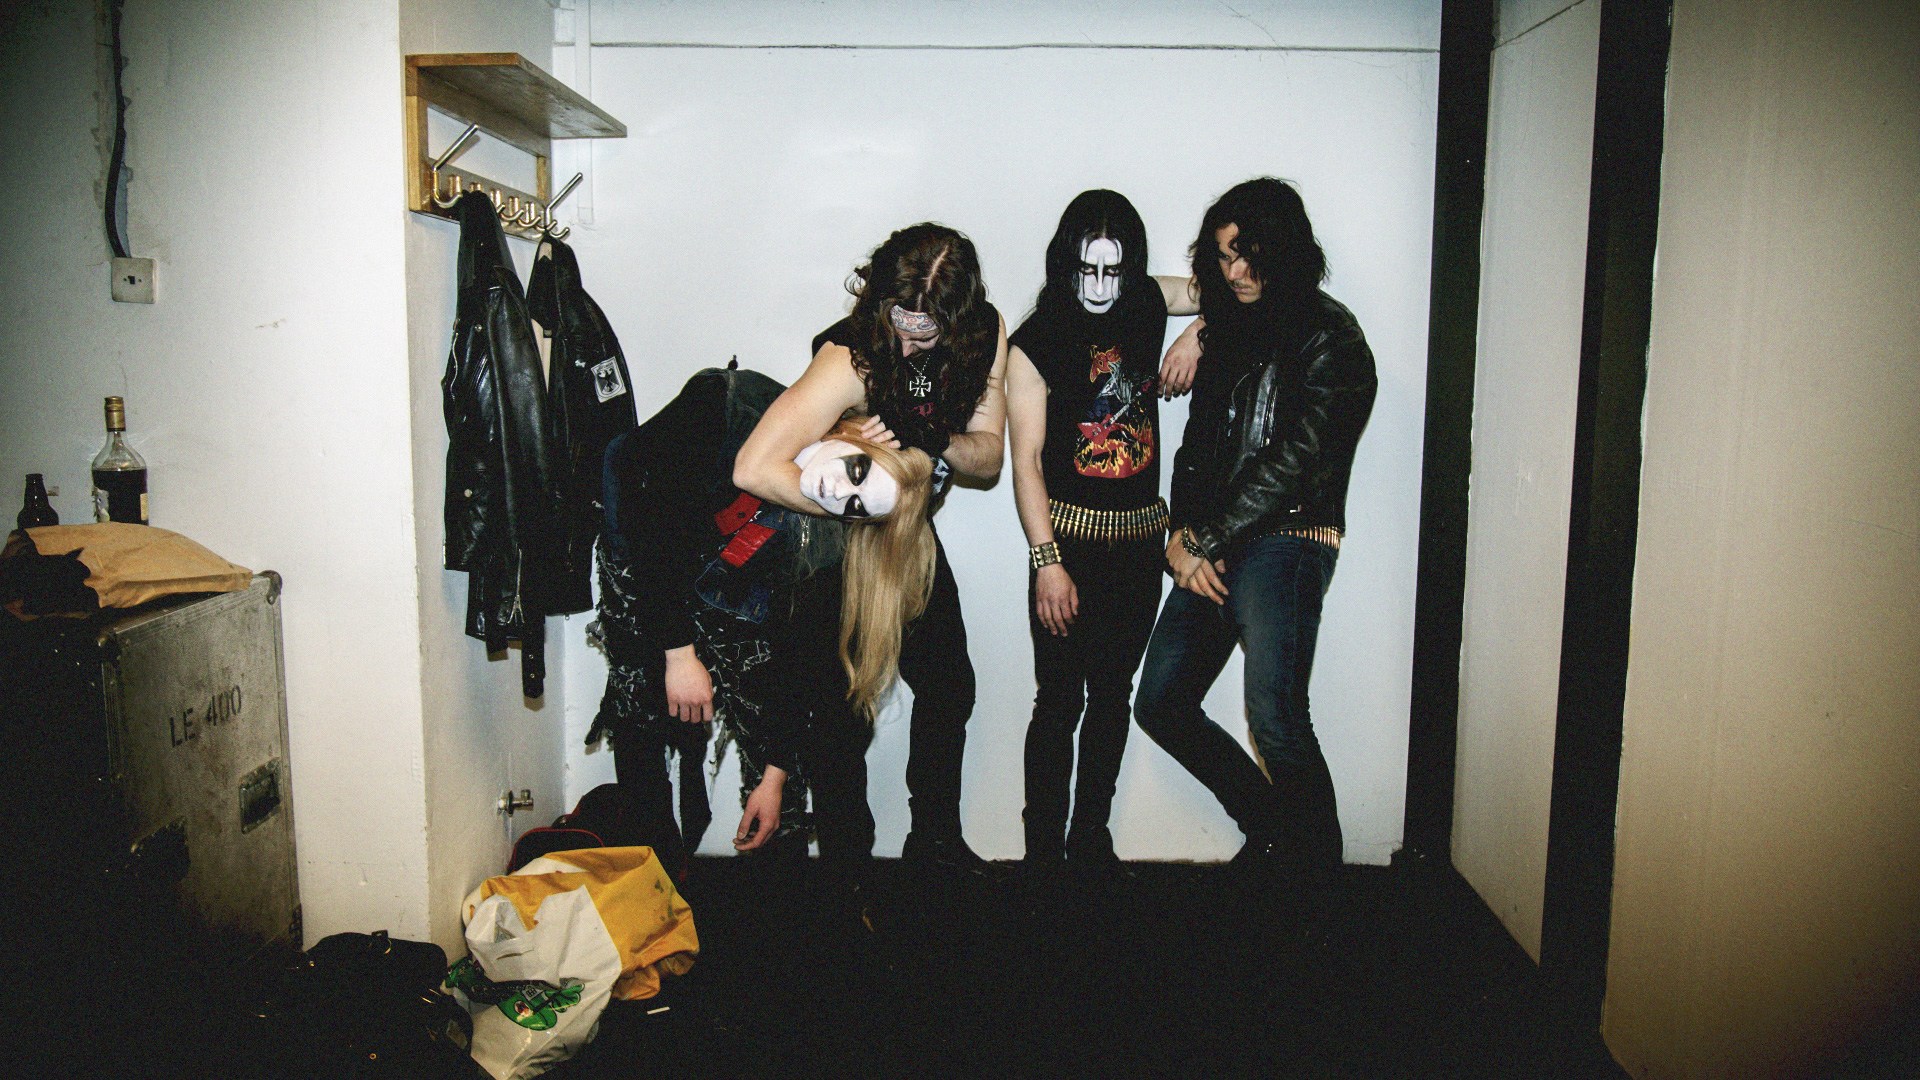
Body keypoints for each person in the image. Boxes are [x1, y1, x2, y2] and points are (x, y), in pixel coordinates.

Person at [734, 223, 1009, 875]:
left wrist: (935, 438)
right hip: (844, 544)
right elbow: (753, 468)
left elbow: (988, 457)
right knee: (838, 713)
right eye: (898, 324)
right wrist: (858, 501)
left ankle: (935, 843)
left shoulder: (985, 333)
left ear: (957, 319)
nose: (908, 345)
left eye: (925, 334)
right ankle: (847, 867)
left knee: (950, 688)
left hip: (911, 537)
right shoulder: (848, 359)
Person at [590, 365, 936, 881]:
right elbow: (650, 513)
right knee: (641, 704)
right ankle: (649, 879)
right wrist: (678, 652)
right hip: (642, 541)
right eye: (858, 470)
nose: (840, 492)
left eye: (857, 505)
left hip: (729, 567)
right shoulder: (731, 404)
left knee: (766, 713)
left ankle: (779, 893)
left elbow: (800, 661)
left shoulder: (823, 539)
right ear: (857, 435)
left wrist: (773, 776)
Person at [1134, 177, 1377, 877]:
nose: (1235, 271)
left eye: (1247, 255)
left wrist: (1204, 538)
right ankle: (1274, 833)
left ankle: (1318, 879)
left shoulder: (1333, 337)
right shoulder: (1230, 328)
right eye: (1222, 257)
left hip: (1288, 538)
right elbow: (1198, 448)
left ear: (1284, 251)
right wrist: (1181, 535)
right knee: (1162, 701)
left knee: (1274, 713)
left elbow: (1297, 461)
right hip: (1213, 543)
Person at [1005, 190, 1201, 874]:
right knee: (1058, 701)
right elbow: (1026, 462)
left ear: (1130, 268)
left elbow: (1226, 289)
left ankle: (1090, 837)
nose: (1098, 286)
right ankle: (1041, 853)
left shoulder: (1145, 301)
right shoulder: (1035, 340)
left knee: (1113, 695)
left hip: (1140, 545)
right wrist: (1046, 561)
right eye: (1086, 269)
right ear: (1066, 263)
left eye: (1112, 271)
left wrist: (1197, 333)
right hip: (1068, 546)